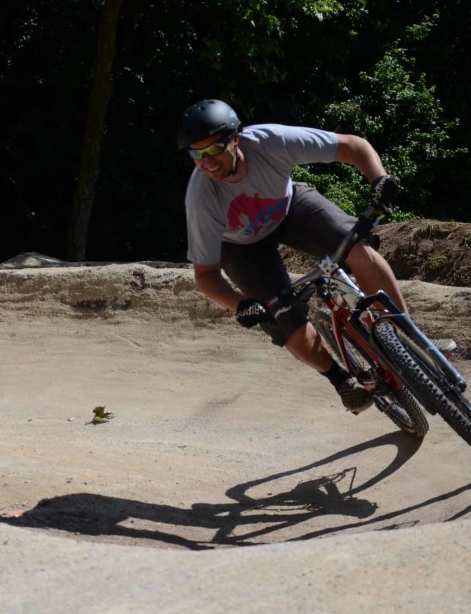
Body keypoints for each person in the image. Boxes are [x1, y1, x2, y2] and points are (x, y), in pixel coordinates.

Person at [178, 98, 454, 414]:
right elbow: (206, 275)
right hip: (240, 245)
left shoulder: (270, 142)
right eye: (197, 154)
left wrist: (379, 179)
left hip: (290, 207)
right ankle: (341, 381)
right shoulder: (201, 199)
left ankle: (410, 340)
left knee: (358, 249)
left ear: (236, 137)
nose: (208, 162)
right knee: (282, 318)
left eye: (215, 149)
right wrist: (240, 304)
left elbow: (353, 146)